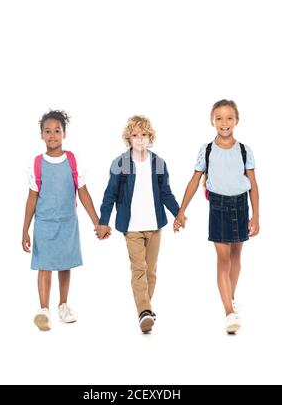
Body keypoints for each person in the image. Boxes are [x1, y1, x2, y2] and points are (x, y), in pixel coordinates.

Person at [174, 99, 259, 333]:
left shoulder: (244, 150)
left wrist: (256, 216)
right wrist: (181, 211)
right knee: (223, 259)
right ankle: (229, 313)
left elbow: (253, 184)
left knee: (236, 255)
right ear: (212, 121)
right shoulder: (207, 149)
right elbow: (194, 181)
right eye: (219, 118)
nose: (224, 123)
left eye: (229, 118)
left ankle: (230, 298)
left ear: (237, 120)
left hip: (241, 206)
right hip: (219, 206)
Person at [22, 110, 109, 331]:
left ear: (64, 133)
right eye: (47, 131)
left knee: (64, 264)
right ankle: (44, 310)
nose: (52, 135)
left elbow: (84, 193)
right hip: (43, 223)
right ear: (41, 135)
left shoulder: (73, 160)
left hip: (68, 222)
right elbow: (31, 199)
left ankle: (63, 305)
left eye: (57, 131)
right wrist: (25, 230)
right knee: (44, 265)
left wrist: (97, 222)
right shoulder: (36, 165)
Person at [96, 115, 179, 333]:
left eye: (144, 135)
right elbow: (109, 195)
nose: (140, 139)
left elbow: (166, 192)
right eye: (135, 135)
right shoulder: (120, 163)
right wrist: (103, 222)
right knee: (139, 269)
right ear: (128, 138)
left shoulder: (158, 163)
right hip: (131, 226)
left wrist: (178, 214)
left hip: (154, 225)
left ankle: (146, 309)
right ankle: (143, 311)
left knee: (151, 271)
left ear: (150, 137)